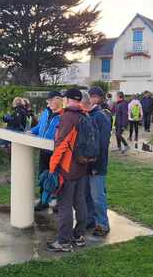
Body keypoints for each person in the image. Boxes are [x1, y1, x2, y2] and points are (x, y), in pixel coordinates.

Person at [47, 88, 88, 252]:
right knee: (80, 203)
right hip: (82, 167)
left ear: (69, 99)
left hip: (67, 169)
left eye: (64, 98)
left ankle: (63, 242)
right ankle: (79, 236)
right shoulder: (85, 115)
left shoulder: (67, 117)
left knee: (65, 206)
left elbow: (61, 146)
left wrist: (52, 169)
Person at [31, 91, 63, 211]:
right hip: (43, 150)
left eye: (50, 100)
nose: (48, 103)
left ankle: (58, 203)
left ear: (58, 100)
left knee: (56, 178)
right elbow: (40, 126)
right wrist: (31, 131)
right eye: (47, 100)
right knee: (43, 176)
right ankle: (44, 201)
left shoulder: (64, 115)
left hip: (56, 152)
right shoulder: (46, 112)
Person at [86, 87, 112, 236]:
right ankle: (91, 220)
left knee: (97, 195)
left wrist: (96, 163)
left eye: (91, 97)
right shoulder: (89, 114)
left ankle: (102, 224)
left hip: (97, 163)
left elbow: (102, 143)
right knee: (87, 194)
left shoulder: (102, 115)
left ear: (97, 98)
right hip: (87, 162)